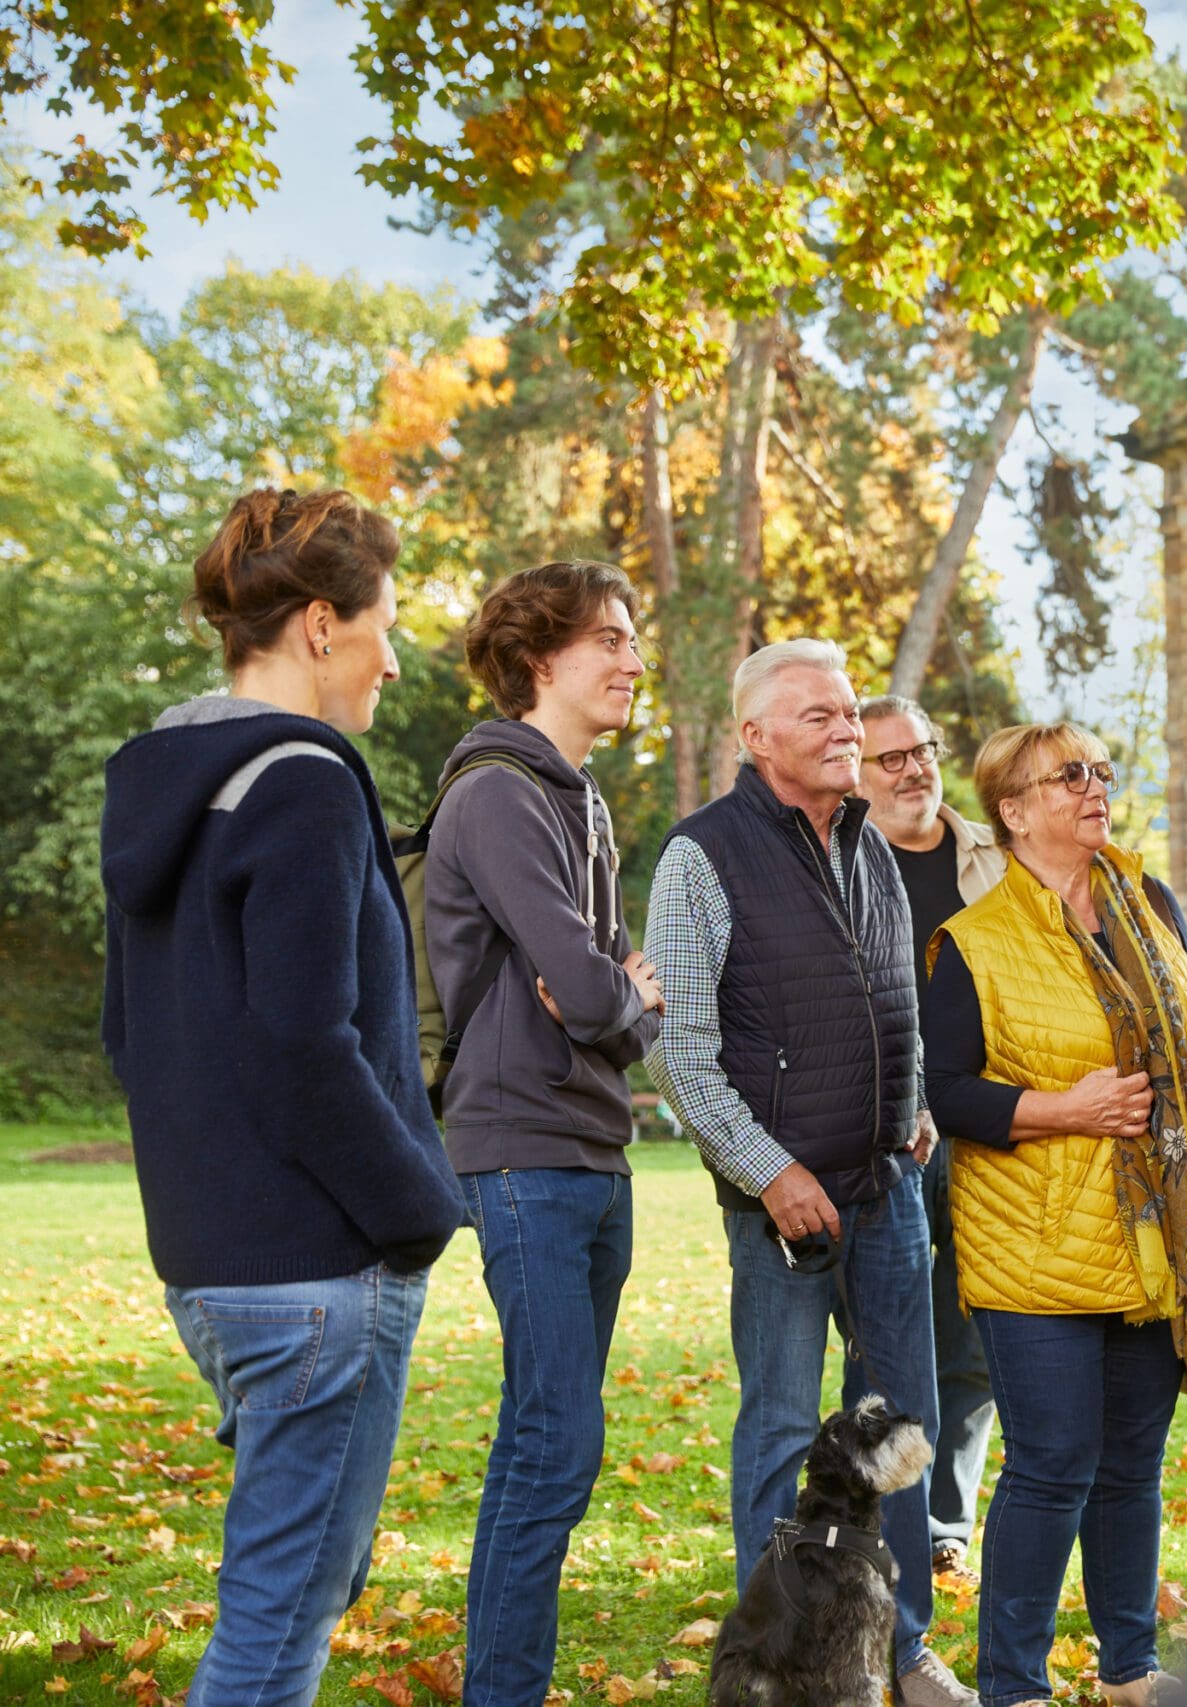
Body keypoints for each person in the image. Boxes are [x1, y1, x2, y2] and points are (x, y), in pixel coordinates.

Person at [99, 487, 468, 1706]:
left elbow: (129, 1035)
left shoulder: (164, 786)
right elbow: (306, 1047)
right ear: (320, 625)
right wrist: (418, 1212)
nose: (393, 654)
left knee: (307, 1576)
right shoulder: (307, 780)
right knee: (276, 1628)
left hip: (211, 1272)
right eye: (385, 623)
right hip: (318, 1276)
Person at [643, 639, 974, 1707]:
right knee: (783, 1429)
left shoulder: (871, 846)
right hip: (782, 1205)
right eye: (820, 717)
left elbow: (896, 1003)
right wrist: (769, 1172)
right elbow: (681, 1052)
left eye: (849, 714)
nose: (848, 732)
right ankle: (773, 1664)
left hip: (890, 1190)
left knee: (905, 1423)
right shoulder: (702, 856)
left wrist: (916, 1099)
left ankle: (896, 1646)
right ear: (755, 737)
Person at [921, 722, 1187, 1707]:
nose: (1095, 787)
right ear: (1012, 811)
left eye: (1100, 771)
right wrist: (1065, 1109)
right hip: (1038, 1242)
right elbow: (945, 1091)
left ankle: (1129, 1669)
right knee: (1053, 1463)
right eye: (1070, 776)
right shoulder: (975, 941)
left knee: (1133, 1462)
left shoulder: (1152, 904)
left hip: (1150, 1235)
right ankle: (1013, 1686)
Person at [425, 561, 665, 1704]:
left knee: (553, 1439)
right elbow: (587, 977)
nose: (631, 661)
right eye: (608, 641)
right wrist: (621, 996)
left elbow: (604, 1006)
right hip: (521, 1153)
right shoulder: (500, 793)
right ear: (539, 660)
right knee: (552, 1445)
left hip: (592, 1147)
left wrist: (616, 1003)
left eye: (633, 640)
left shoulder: (578, 796)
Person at [853, 693, 1007, 1583]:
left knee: (975, 1336)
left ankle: (947, 1518)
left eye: (924, 749)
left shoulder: (991, 855)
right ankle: (877, 1520)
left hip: (987, 1127)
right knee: (884, 1339)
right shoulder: (841, 859)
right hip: (888, 1137)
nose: (915, 769)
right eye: (891, 758)